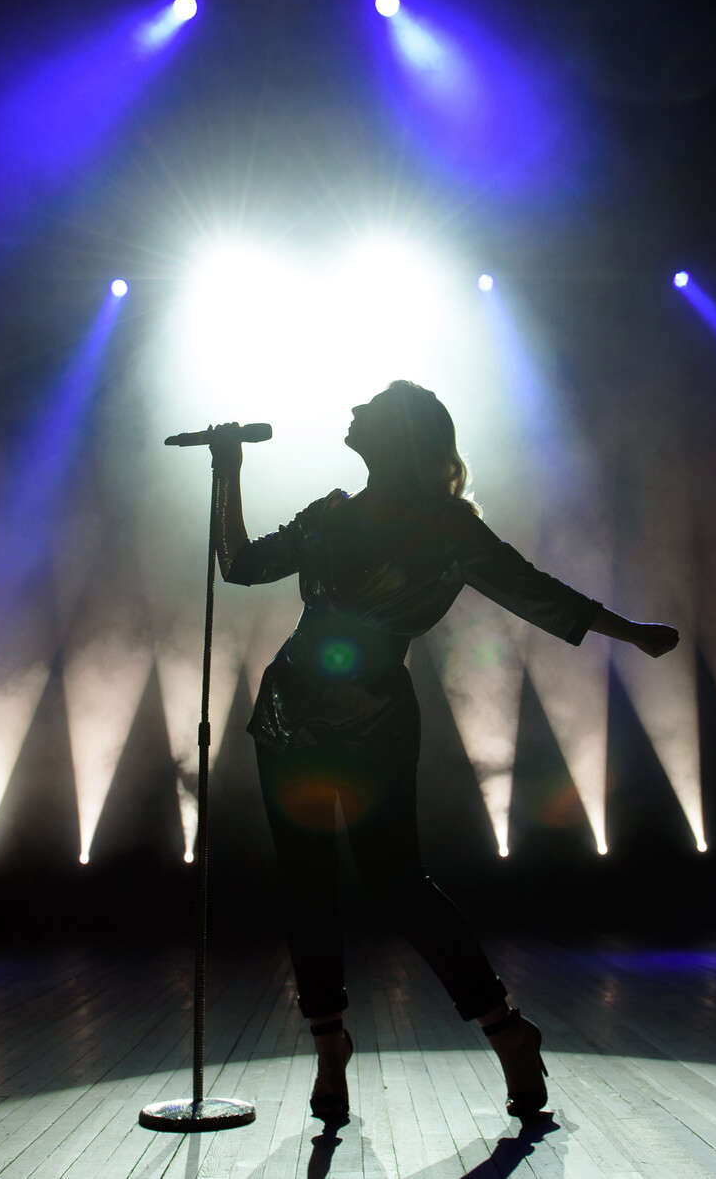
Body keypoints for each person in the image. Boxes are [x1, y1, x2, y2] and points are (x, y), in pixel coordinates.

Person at [205, 380, 679, 1125]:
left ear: (398, 434)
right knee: (304, 885)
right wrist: (225, 467)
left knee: (397, 883)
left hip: (372, 718)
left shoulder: (446, 529)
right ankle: (329, 1046)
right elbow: (238, 564)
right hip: (289, 713)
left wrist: (631, 632)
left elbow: (530, 590)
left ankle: (506, 1028)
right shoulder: (329, 513)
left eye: (370, 406)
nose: (352, 411)